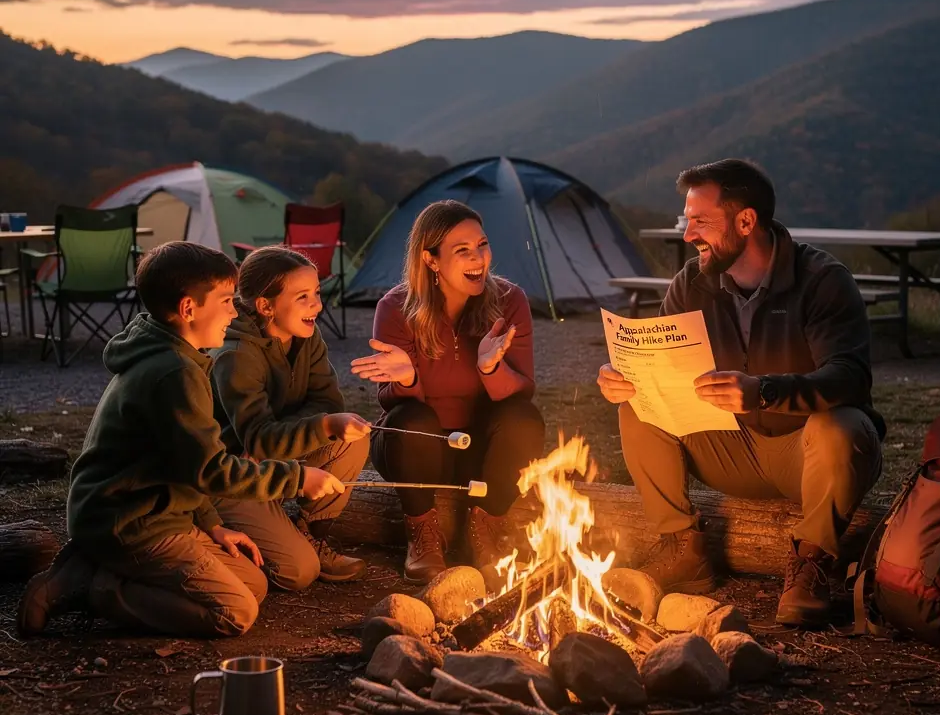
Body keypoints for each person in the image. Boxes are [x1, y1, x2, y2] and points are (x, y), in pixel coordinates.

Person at [597, 159, 885, 627]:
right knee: (636, 403)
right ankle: (683, 549)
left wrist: (764, 392)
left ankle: (811, 562)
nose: (688, 235)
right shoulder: (691, 284)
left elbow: (849, 377)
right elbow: (663, 367)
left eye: (701, 221)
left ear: (746, 221)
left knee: (844, 425)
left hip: (806, 452)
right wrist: (625, 375)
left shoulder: (823, 281)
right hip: (728, 447)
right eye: (685, 220)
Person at [17, 242, 344, 639]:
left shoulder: (177, 355)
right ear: (189, 309)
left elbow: (184, 460)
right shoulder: (174, 373)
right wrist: (296, 479)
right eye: (226, 300)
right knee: (236, 612)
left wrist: (211, 523)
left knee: (255, 584)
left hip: (164, 509)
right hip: (131, 519)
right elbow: (210, 469)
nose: (232, 311)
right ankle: (94, 587)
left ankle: (104, 566)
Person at [351, 200, 545, 584]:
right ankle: (422, 533)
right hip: (417, 452)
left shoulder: (510, 301)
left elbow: (524, 390)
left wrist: (491, 368)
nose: (479, 258)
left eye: (482, 245)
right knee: (411, 420)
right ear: (431, 259)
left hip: (480, 450)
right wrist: (406, 379)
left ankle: (485, 530)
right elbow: (392, 405)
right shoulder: (395, 308)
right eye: (462, 251)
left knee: (525, 420)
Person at [211, 246, 371, 588]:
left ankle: (306, 531)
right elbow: (257, 439)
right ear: (265, 306)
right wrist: (320, 425)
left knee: (350, 439)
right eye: (302, 297)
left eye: (316, 293)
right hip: (234, 473)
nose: (316, 305)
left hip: (272, 456)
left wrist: (317, 425)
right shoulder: (236, 354)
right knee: (298, 572)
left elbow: (327, 400)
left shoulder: (307, 338)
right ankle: (223, 539)